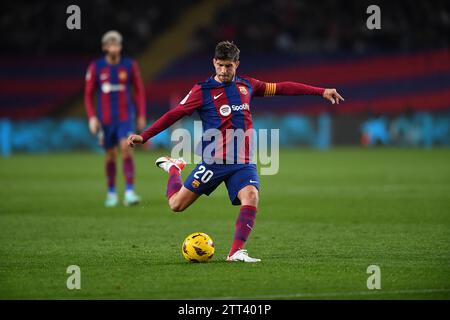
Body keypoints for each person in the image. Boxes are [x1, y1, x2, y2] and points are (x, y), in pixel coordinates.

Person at [127, 41, 344, 262]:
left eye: (228, 66)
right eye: (220, 65)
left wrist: (321, 91)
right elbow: (174, 114)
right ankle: (174, 168)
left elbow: (282, 87)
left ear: (237, 64)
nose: (223, 71)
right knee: (176, 205)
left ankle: (236, 252)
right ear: (214, 62)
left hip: (243, 161)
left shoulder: (248, 85)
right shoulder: (201, 91)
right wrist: (144, 136)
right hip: (214, 162)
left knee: (251, 195)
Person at [84, 30, 147, 207]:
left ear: (120, 47)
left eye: (117, 44)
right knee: (110, 155)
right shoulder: (96, 67)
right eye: (111, 44)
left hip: (125, 117)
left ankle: (129, 192)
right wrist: (91, 118)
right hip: (105, 119)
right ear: (105, 47)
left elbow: (139, 91)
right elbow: (88, 94)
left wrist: (141, 114)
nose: (114, 47)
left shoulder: (130, 65)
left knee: (127, 148)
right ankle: (111, 193)